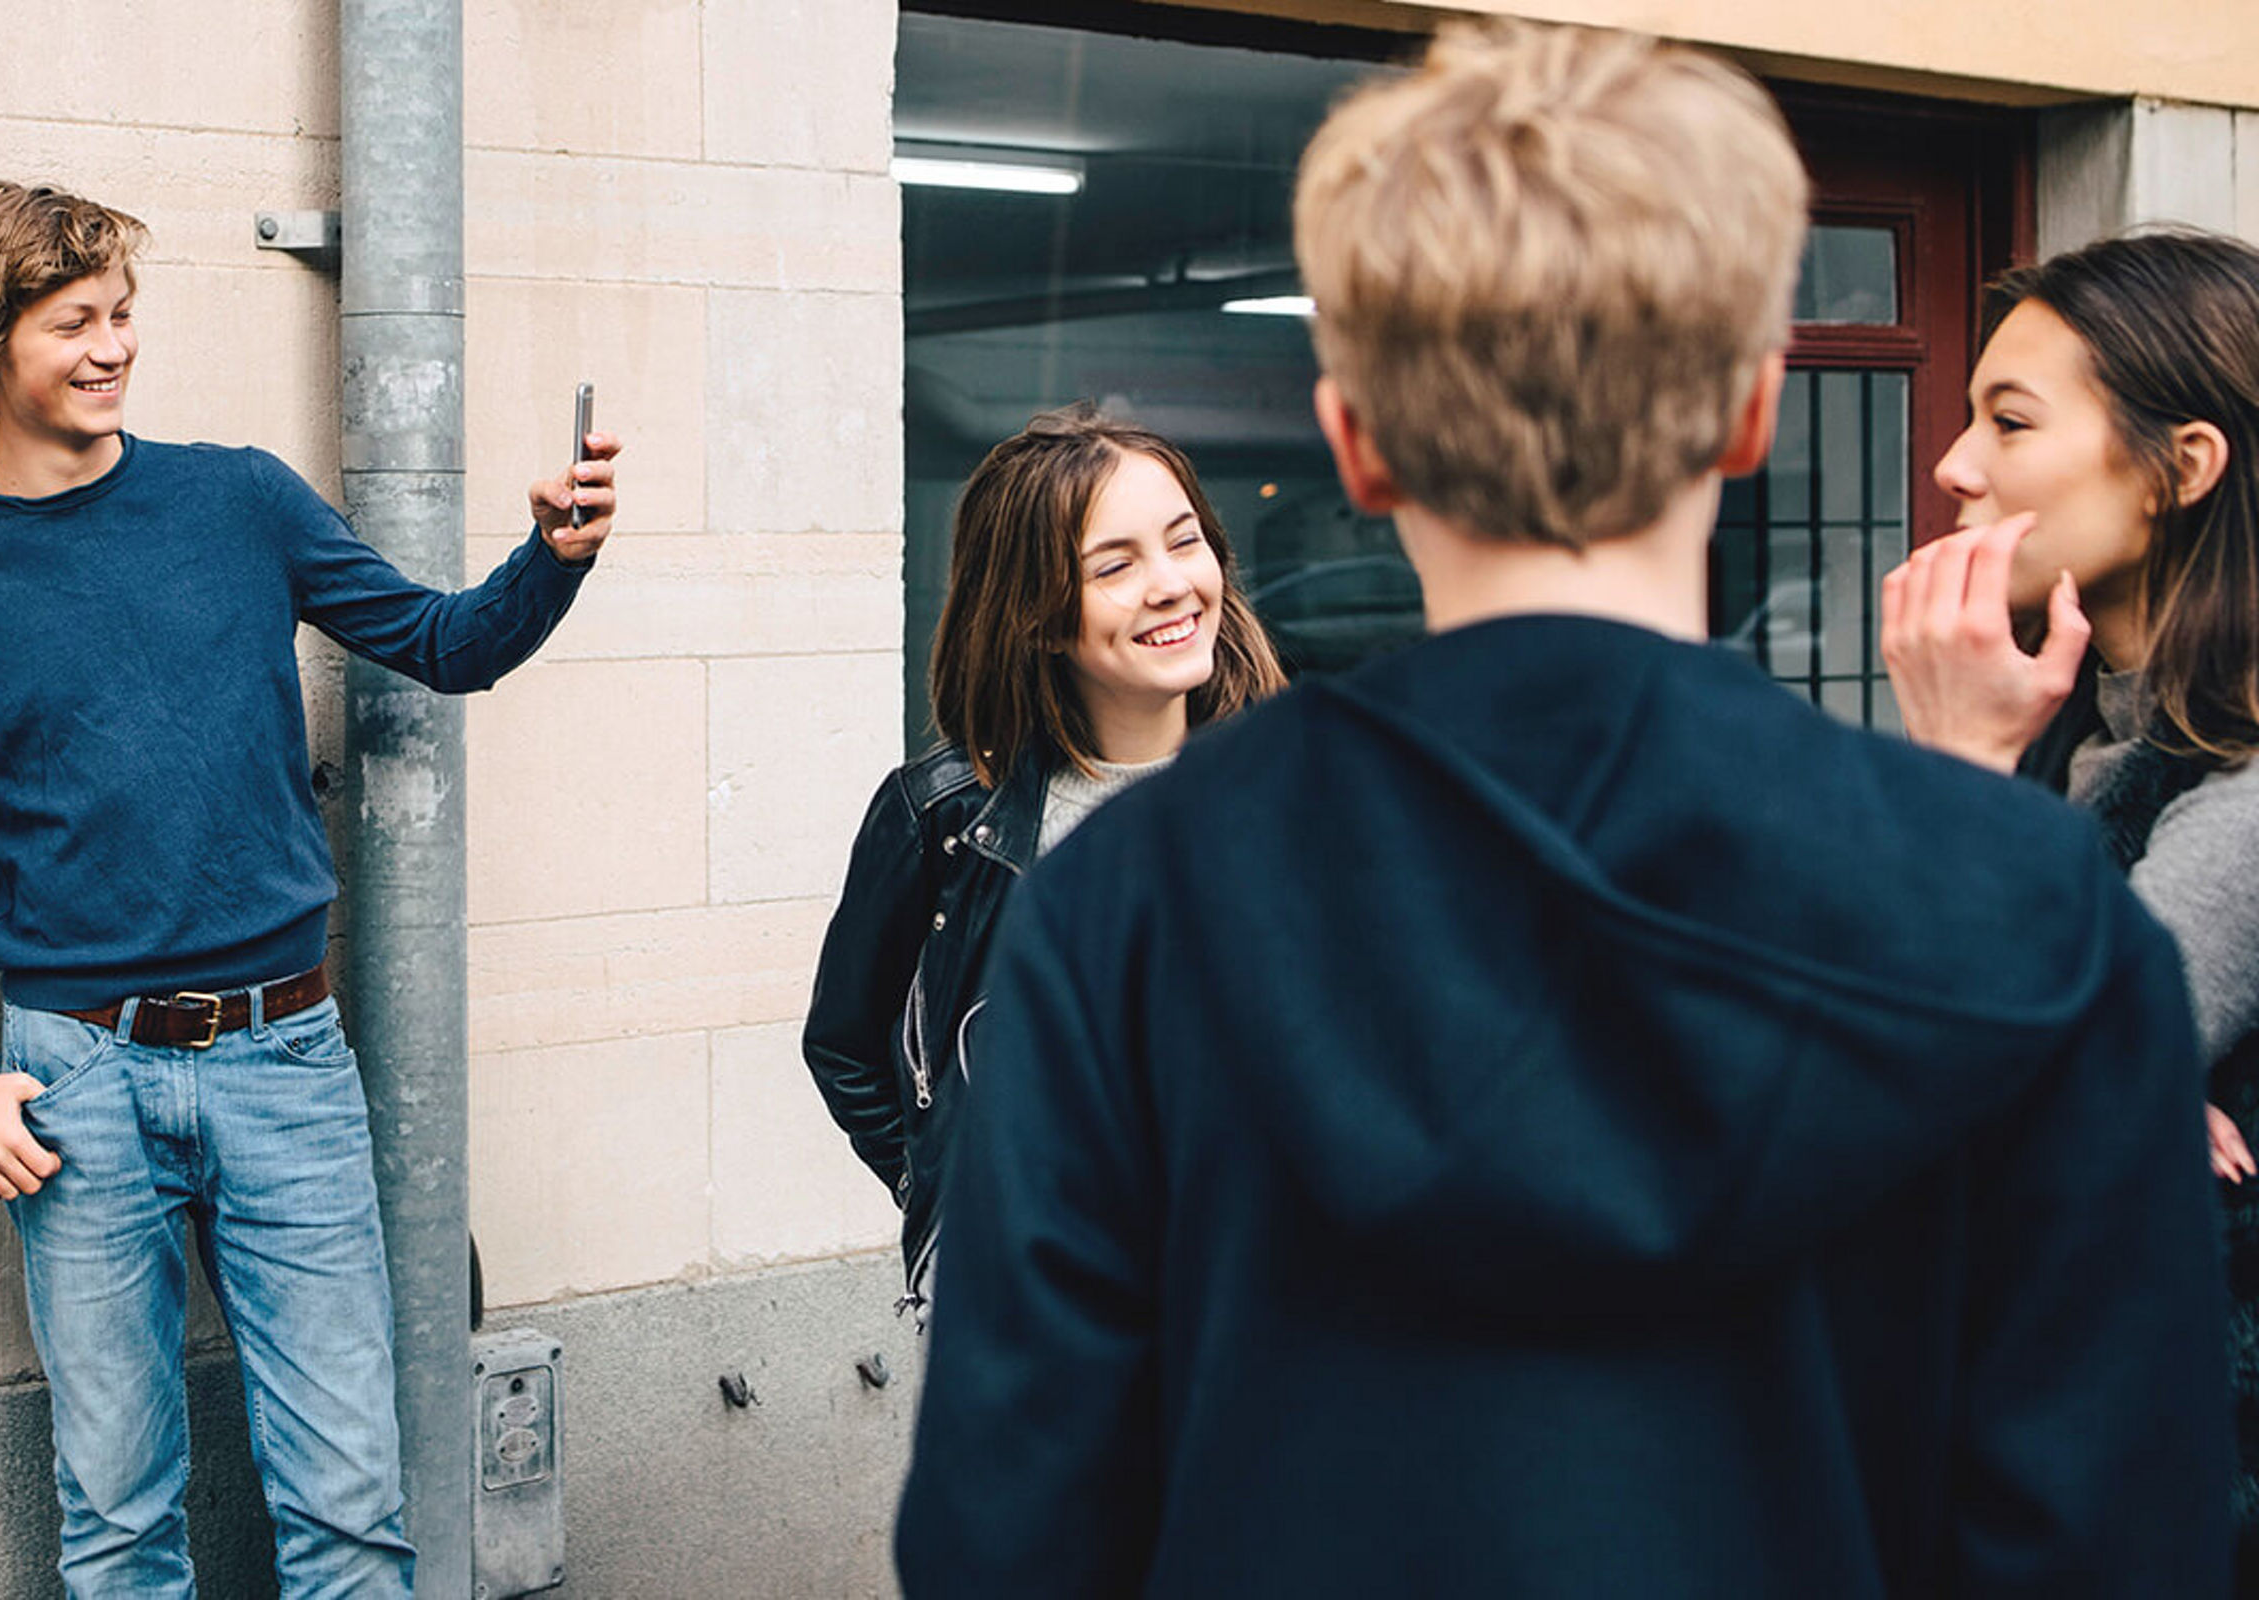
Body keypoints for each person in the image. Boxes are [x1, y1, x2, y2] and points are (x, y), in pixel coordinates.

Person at [894, 22, 2232, 1597]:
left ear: (1357, 442)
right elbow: (2114, 1540)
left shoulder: (1129, 903)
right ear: (1750, 415)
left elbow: (1009, 1533)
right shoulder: (2040, 912)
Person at [0, 181, 619, 1596]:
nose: (113, 346)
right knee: (120, 1523)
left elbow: (441, 644)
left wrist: (549, 562)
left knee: (351, 1511)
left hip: (287, 1064)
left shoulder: (238, 498)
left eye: (122, 314)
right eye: (74, 323)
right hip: (76, 1086)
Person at [1879, 226, 2259, 1584]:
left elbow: (1991, 1069)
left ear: (2184, 468)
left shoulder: (2245, 794)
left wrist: (1953, 764)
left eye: (2011, 420)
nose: (1954, 464)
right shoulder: (2072, 721)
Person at [801, 408, 1284, 1327]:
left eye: (1185, 544)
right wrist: (950, 1195)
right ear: (1037, 614)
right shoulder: (944, 815)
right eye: (1116, 566)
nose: (1171, 586)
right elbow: (846, 1045)